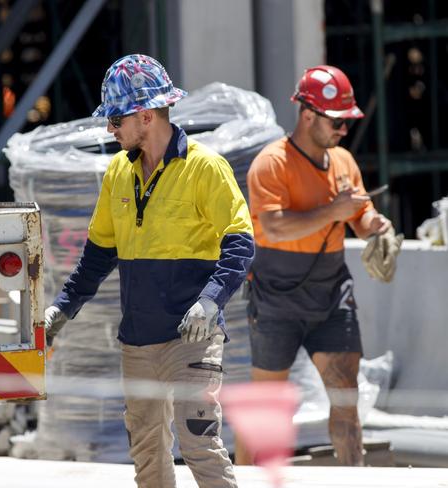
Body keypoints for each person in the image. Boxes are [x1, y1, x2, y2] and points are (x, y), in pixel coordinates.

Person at [44, 54, 254, 488]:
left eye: (116, 119)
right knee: (148, 457)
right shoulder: (118, 173)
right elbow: (99, 255)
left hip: (190, 341)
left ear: (146, 115)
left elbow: (240, 241)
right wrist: (62, 309)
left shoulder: (204, 168)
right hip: (137, 344)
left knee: (200, 447)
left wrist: (209, 303)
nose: (110, 129)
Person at [238, 65, 396, 466]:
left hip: (331, 297)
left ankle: (351, 475)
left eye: (347, 123)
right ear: (308, 115)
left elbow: (360, 215)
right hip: (276, 300)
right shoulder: (271, 164)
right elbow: (272, 227)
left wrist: (375, 225)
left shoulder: (343, 161)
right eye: (338, 122)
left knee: (346, 397)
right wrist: (333, 212)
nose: (344, 131)